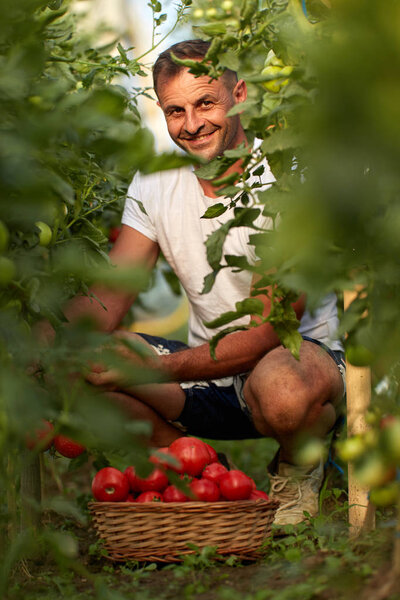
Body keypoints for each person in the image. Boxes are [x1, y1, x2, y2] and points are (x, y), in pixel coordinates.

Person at [60, 40, 346, 526]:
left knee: (280, 388)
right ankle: (209, 474)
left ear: (239, 93)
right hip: (211, 377)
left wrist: (153, 371)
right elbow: (108, 296)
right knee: (90, 366)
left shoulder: (284, 181)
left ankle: (300, 460)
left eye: (205, 103)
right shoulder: (154, 183)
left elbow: (268, 330)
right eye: (175, 111)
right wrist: (43, 344)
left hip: (299, 366)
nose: (191, 124)